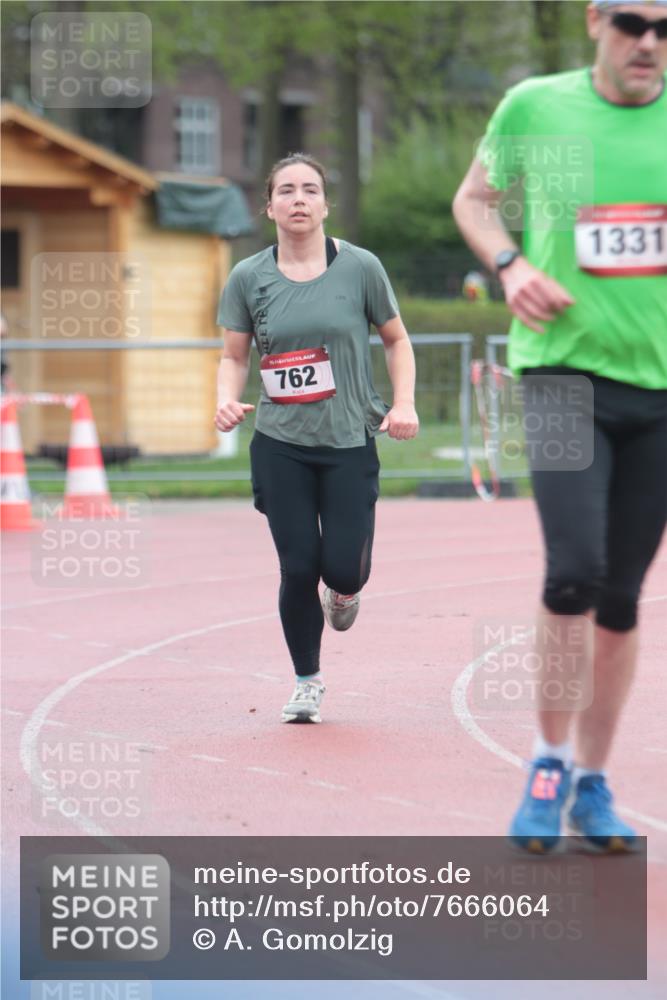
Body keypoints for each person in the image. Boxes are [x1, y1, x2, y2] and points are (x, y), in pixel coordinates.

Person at [453, 1, 667, 852]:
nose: (648, 40)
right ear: (593, 23)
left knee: (619, 598)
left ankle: (592, 781)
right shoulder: (535, 106)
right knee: (574, 571)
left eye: (665, 26)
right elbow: (475, 200)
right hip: (561, 373)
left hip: (658, 391)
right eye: (632, 22)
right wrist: (508, 264)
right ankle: (546, 763)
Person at [215, 153, 419, 724]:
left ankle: (347, 591)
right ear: (270, 206)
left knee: (343, 570)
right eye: (286, 190)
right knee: (298, 567)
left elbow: (397, 340)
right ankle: (306, 681)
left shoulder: (361, 268)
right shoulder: (248, 277)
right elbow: (233, 356)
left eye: (309, 189)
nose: (298, 199)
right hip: (281, 443)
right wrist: (225, 399)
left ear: (326, 204)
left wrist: (402, 404)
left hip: (350, 439)